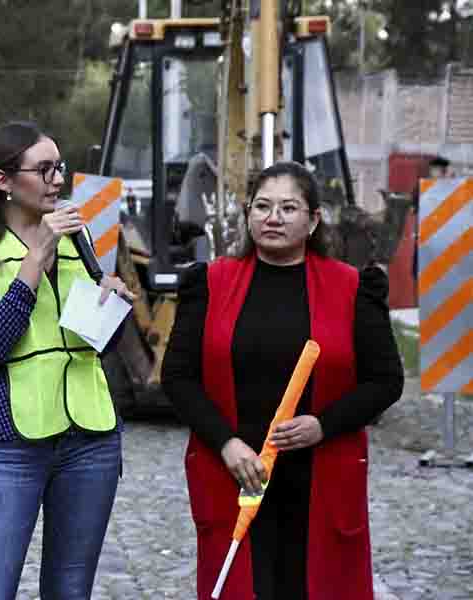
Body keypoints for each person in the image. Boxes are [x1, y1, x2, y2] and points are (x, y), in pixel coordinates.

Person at [161, 161, 404, 600]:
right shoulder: (210, 283)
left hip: (319, 479)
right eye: (262, 206)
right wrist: (226, 442)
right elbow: (178, 377)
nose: (273, 217)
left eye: (288, 208)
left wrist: (323, 424)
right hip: (234, 473)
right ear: (248, 214)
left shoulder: (352, 288)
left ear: (313, 221)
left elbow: (385, 380)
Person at [0, 121, 133, 600]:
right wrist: (34, 262)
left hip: (89, 437)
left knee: (71, 590)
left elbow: (95, 346)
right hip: (5, 441)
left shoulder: (77, 236)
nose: (57, 179)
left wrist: (111, 304)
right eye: (43, 169)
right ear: (2, 180)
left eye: (59, 167)